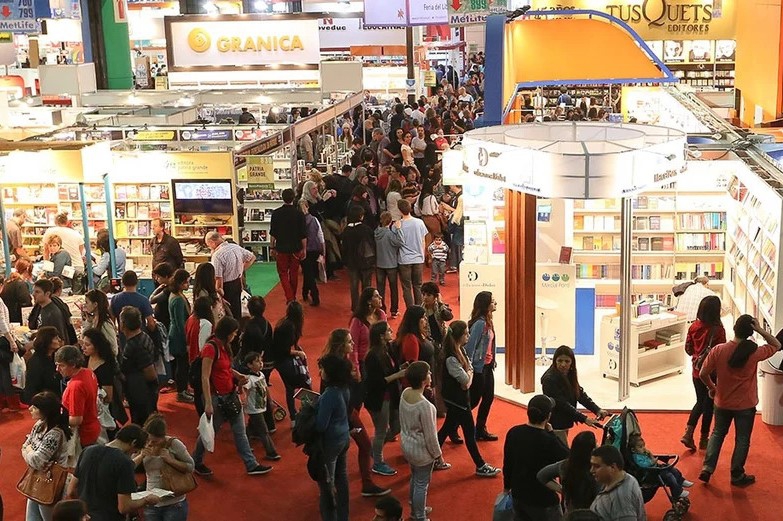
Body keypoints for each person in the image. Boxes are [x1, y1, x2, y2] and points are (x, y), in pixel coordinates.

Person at [699, 315, 782, 486]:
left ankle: (707, 468)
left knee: (717, 433)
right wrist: (760, 329)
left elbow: (703, 373)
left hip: (722, 401)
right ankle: (737, 474)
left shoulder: (719, 350)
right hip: (746, 404)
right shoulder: (754, 353)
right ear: (750, 332)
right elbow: (777, 345)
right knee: (742, 439)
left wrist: (712, 388)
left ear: (734, 328)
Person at [192, 316, 271, 477]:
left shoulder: (224, 346)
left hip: (230, 394)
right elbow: (205, 377)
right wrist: (208, 402)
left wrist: (237, 375)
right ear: (227, 333)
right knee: (209, 432)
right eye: (234, 332)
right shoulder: (211, 348)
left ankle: (251, 464)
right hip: (217, 398)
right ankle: (196, 461)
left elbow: (226, 369)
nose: (236, 335)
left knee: (240, 431)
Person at [437, 321, 500, 478]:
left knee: (446, 429)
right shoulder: (451, 357)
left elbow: (469, 371)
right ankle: (480, 465)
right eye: (466, 333)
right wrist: (469, 374)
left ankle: (433, 458)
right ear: (459, 336)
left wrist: (469, 373)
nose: (469, 336)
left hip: (458, 399)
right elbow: (466, 381)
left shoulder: (460, 351)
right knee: (469, 433)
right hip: (457, 400)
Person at [66, 424, 161, 520]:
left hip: (85, 516)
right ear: (134, 442)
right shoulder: (124, 462)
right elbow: (124, 507)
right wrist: (146, 500)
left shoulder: (87, 451)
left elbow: (71, 490)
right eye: (134, 452)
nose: (132, 455)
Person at [503, 394, 570, 521]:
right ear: (548, 416)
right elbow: (568, 456)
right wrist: (551, 433)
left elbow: (508, 464)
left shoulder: (514, 432)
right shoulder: (549, 441)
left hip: (519, 493)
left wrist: (507, 487)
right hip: (543, 499)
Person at [399, 361, 448, 521]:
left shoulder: (405, 393)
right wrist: (438, 455)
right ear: (422, 380)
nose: (431, 375)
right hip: (421, 451)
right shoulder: (426, 407)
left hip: (407, 445)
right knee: (422, 484)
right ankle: (418, 515)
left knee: (415, 477)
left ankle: (416, 506)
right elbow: (431, 436)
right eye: (428, 373)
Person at [682, 295, 726, 451]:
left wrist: (697, 355)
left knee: (700, 401)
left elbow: (688, 349)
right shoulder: (718, 330)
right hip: (712, 373)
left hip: (696, 370)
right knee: (709, 405)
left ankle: (688, 432)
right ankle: (703, 439)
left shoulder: (693, 326)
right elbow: (721, 351)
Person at [132, 414, 195, 521]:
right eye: (149, 440)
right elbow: (129, 467)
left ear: (163, 437)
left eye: (155, 441)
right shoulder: (143, 444)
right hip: (151, 502)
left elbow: (191, 467)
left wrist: (171, 460)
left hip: (174, 504)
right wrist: (141, 455)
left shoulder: (174, 444)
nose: (151, 443)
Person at [21, 391, 72, 521]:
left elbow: (37, 460)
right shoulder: (39, 425)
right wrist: (29, 451)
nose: (30, 409)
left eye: (35, 407)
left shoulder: (55, 434)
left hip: (51, 482)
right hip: (36, 478)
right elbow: (25, 447)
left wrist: (28, 450)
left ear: (45, 411)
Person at [541, 345, 607, 446]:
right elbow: (562, 404)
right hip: (555, 423)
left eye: (567, 361)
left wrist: (597, 409)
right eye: (560, 361)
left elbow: (579, 394)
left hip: (563, 421)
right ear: (554, 361)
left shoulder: (568, 374)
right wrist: (584, 418)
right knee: (561, 453)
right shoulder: (549, 379)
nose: (563, 364)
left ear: (572, 362)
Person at [365, 321, 406, 476]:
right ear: (381, 336)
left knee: (397, 427)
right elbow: (377, 382)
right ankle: (378, 462)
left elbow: (392, 369)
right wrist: (398, 375)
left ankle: (375, 449)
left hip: (391, 396)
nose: (391, 331)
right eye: (388, 330)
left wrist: (400, 369)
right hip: (379, 399)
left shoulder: (387, 348)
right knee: (381, 431)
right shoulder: (372, 356)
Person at [315, 355, 353, 521]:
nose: (320, 372)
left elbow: (321, 425)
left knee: (327, 484)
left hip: (331, 442)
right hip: (344, 437)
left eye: (322, 369)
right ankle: (343, 516)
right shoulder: (344, 388)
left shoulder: (330, 394)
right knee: (341, 478)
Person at [537, 431, 600, 514]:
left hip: (571, 513)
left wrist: (563, 490)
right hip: (593, 513)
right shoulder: (597, 469)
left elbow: (541, 475)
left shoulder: (565, 465)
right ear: (592, 449)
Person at [464, 291, 499, 441]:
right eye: (493, 301)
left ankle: (480, 429)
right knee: (473, 400)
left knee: (488, 398)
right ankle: (453, 425)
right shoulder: (480, 324)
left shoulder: (488, 321)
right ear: (486, 305)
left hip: (488, 366)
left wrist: (492, 359)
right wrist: (469, 367)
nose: (495, 303)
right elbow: (470, 347)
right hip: (479, 368)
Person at [81, 328, 127, 438]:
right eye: (83, 344)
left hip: (102, 408)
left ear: (97, 346)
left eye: (87, 345)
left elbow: (108, 397)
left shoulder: (105, 366)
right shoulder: (84, 359)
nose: (83, 347)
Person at [118, 306, 159, 426]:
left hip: (141, 394)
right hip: (141, 392)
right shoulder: (143, 337)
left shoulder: (136, 346)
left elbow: (150, 374)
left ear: (123, 324)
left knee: (144, 426)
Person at [270, 301, 310, 421]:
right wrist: (298, 353)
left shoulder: (286, 323)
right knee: (301, 384)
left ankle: (294, 416)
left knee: (291, 387)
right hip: (282, 360)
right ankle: (303, 413)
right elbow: (284, 350)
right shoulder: (289, 327)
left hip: (281, 359)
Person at [55, 345, 101, 448]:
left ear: (73, 364)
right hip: (93, 427)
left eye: (61, 365)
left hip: (83, 435)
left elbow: (76, 420)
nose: (57, 369)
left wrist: (55, 420)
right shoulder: (88, 372)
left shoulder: (76, 386)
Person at [205, 231, 255, 319]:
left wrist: (218, 294)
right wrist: (241, 269)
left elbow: (218, 278)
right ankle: (238, 329)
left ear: (212, 242)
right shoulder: (235, 247)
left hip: (226, 287)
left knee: (227, 312)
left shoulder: (217, 255)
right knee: (237, 310)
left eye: (208, 245)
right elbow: (252, 257)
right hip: (237, 282)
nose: (209, 248)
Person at [590, 445, 646, 521]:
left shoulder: (620, 500)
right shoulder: (626, 479)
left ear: (613, 467)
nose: (592, 470)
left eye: (597, 466)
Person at [270, 188, 307, 304]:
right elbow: (303, 235)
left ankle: (290, 298)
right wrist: (304, 249)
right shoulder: (299, 214)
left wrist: (272, 247)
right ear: (293, 198)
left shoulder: (276, 213)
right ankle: (293, 296)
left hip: (281, 248)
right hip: (296, 248)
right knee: (294, 273)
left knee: (283, 273)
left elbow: (273, 233)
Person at [241, 351, 279, 460]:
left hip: (261, 406)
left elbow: (266, 388)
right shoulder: (249, 379)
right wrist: (244, 400)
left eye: (261, 361)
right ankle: (271, 452)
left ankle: (246, 441)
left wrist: (270, 401)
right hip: (254, 409)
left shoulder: (261, 375)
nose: (261, 363)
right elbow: (245, 390)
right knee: (264, 431)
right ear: (249, 365)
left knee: (252, 426)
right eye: (257, 361)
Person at [629, 433, 692, 499]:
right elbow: (643, 465)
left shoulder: (643, 453)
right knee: (669, 476)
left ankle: (681, 481)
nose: (644, 448)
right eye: (640, 447)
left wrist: (650, 454)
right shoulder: (636, 457)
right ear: (633, 450)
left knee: (672, 469)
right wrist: (652, 462)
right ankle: (677, 492)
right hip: (649, 474)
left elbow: (651, 458)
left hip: (655, 468)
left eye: (644, 446)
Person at [341, 205, 376, 312]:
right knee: (367, 285)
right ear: (361, 216)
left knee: (354, 285)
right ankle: (366, 306)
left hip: (352, 263)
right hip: (366, 262)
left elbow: (344, 248)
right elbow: (372, 244)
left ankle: (355, 307)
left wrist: (345, 261)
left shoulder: (346, 231)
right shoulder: (366, 229)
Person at [186, 296, 214, 417]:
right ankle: (205, 416)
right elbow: (204, 346)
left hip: (192, 359)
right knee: (202, 391)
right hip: (201, 362)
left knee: (198, 392)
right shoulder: (206, 324)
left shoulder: (191, 318)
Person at [350, 287, 387, 379]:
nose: (381, 298)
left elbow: (386, 336)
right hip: (364, 363)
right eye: (377, 296)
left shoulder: (381, 314)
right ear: (369, 301)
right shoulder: (357, 321)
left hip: (381, 358)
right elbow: (353, 346)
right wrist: (356, 368)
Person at [168, 269, 193, 404]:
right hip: (179, 337)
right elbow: (179, 323)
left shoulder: (177, 295)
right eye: (187, 282)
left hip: (179, 334)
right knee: (182, 365)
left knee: (182, 365)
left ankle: (183, 389)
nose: (188, 284)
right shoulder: (177, 299)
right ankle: (181, 391)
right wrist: (186, 340)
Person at [397, 200, 427, 308]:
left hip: (404, 259)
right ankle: (419, 308)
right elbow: (424, 240)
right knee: (418, 285)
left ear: (399, 210)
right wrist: (422, 255)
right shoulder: (419, 222)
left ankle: (410, 309)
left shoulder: (398, 224)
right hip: (418, 258)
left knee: (406, 287)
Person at [42, 212, 85, 288]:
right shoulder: (76, 233)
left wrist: (46, 269)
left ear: (55, 221)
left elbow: (46, 251)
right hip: (77, 266)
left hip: (60, 270)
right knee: (77, 297)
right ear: (67, 222)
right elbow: (81, 251)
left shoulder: (50, 232)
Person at [23, 327, 63, 404]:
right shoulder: (36, 362)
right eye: (55, 338)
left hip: (54, 399)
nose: (59, 340)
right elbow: (32, 388)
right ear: (47, 341)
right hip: (44, 403)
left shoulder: (53, 356)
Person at [375, 212, 403, 318]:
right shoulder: (390, 234)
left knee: (380, 288)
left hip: (379, 264)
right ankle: (394, 310)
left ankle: (381, 310)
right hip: (391, 264)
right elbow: (400, 242)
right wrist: (399, 229)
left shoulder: (376, 232)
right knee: (393, 288)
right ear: (390, 221)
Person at [0, 275, 20, 411]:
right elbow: (1, 321)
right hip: (2, 339)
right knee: (5, 371)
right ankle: (12, 402)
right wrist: (12, 341)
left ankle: (5, 402)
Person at [300, 199, 325, 307]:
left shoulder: (299, 221)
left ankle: (314, 296)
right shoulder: (314, 219)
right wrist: (323, 250)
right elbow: (320, 235)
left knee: (308, 273)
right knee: (309, 273)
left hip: (304, 250)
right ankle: (306, 293)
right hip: (315, 249)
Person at [81, 290, 118, 356]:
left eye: (87, 302)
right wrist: (89, 322)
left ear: (95, 304)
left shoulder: (105, 324)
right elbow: (84, 337)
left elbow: (114, 349)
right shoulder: (94, 319)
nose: (85, 305)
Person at [1, 259, 33, 323]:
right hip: (17, 319)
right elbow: (26, 304)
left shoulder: (8, 281)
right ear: (27, 270)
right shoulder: (21, 284)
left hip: (8, 318)